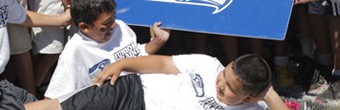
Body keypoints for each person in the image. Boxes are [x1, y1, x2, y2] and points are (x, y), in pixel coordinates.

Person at [27, 54, 288, 110]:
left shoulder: (253, 108)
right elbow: (162, 64)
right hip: (133, 93)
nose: (221, 84)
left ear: (250, 98)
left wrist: (268, 93)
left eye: (231, 89)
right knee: (62, 108)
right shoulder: (209, 64)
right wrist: (123, 64)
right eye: (225, 75)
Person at [45, 0, 169, 101]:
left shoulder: (120, 27)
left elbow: (137, 56)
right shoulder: (75, 52)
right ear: (85, 27)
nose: (114, 25)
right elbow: (54, 99)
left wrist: (158, 41)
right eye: (107, 24)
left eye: (114, 17)